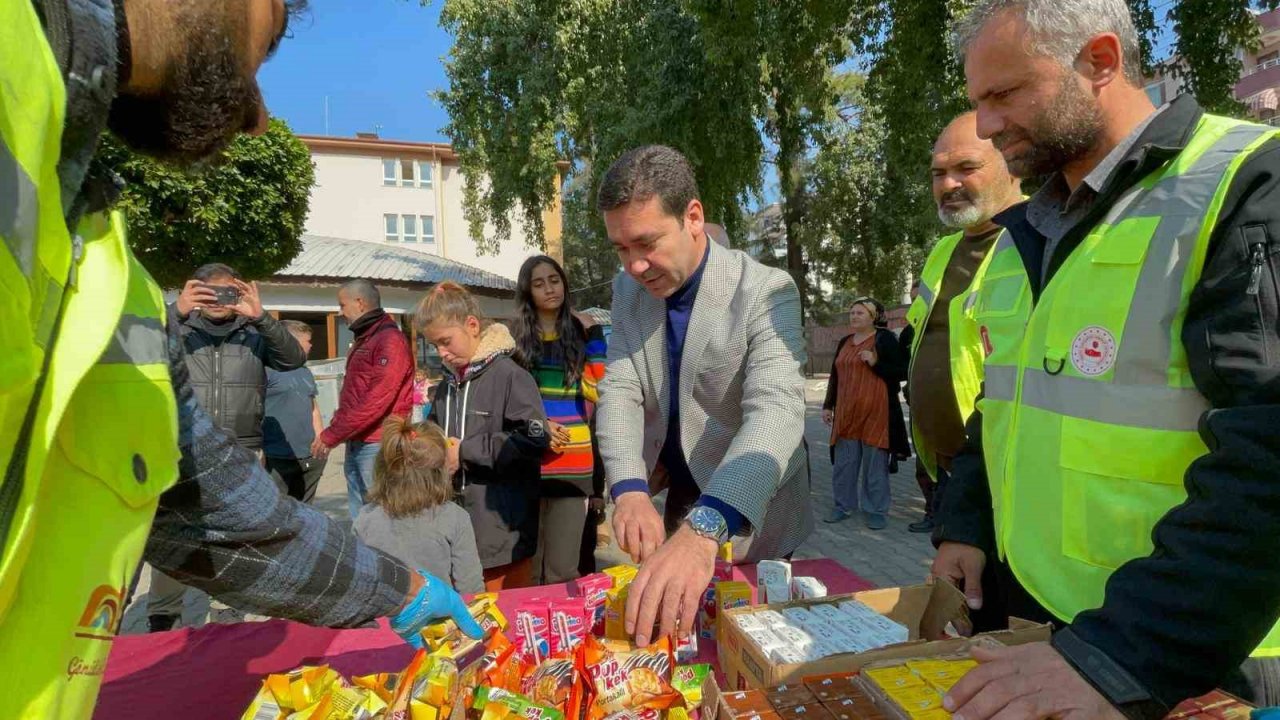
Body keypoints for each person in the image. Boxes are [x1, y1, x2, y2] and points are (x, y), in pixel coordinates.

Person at [1, 2, 482, 716]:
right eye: (275, 35)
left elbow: (223, 512)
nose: (257, 112)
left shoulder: (109, 273)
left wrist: (401, 589)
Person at [933, 0, 1280, 716]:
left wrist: (1120, 657)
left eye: (1004, 95)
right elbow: (1005, 401)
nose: (988, 125)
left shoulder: (1245, 185)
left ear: (1099, 61)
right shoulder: (1026, 232)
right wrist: (963, 520)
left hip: (1195, 658)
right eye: (977, 102)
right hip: (1058, 629)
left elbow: (1269, 453)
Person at [595, 145, 812, 647]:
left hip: (750, 505)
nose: (635, 265)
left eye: (646, 243)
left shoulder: (766, 291)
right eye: (620, 249)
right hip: (680, 495)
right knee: (678, 635)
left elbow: (776, 414)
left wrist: (708, 525)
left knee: (752, 644)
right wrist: (628, 488)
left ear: (693, 217)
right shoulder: (627, 292)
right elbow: (622, 389)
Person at [150, 261, 311, 630]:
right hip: (181, 449)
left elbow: (294, 359)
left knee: (233, 535)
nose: (219, 300)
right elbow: (139, 351)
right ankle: (163, 617)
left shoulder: (253, 332)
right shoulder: (179, 327)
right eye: (209, 292)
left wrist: (262, 318)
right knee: (174, 533)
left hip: (240, 451)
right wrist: (176, 311)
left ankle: (227, 615)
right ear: (194, 290)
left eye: (228, 292)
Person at [902, 113, 1022, 535]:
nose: (948, 184)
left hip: (1010, 477)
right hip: (952, 473)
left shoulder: (1037, 242)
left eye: (966, 168)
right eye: (938, 173)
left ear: (1011, 162)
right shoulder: (943, 250)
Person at [420, 282, 550, 590]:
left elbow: (534, 439)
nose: (441, 353)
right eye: (434, 346)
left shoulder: (511, 376)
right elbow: (435, 430)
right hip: (457, 524)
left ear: (473, 326)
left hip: (502, 530)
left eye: (446, 341)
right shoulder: (447, 385)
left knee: (503, 622)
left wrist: (464, 452)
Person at [511, 255, 609, 585]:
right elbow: (509, 404)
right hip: (529, 462)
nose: (549, 289)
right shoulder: (515, 343)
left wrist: (595, 332)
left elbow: (601, 390)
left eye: (554, 280)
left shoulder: (584, 335)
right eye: (538, 284)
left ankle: (564, 635)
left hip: (574, 463)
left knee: (563, 571)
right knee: (529, 566)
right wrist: (538, 426)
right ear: (528, 292)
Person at [312, 279, 415, 520]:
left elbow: (376, 400)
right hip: (359, 440)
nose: (340, 313)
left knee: (384, 517)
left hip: (378, 443)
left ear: (360, 303)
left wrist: (332, 434)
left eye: (342, 305)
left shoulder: (389, 340)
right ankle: (366, 558)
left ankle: (386, 559)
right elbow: (354, 395)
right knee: (363, 517)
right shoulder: (366, 338)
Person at [354, 417, 485, 595]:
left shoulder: (365, 519)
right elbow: (471, 589)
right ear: (441, 472)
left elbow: (358, 587)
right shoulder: (455, 517)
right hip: (438, 619)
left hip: (384, 620)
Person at [821, 298, 909, 530]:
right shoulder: (845, 342)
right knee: (844, 464)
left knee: (875, 466)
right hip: (847, 414)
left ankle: (876, 510)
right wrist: (828, 405)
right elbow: (835, 376)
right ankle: (843, 506)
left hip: (876, 414)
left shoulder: (885, 339)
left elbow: (901, 371)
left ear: (873, 317)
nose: (854, 316)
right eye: (852, 313)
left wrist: (875, 362)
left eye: (860, 313)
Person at [263, 320, 328, 503]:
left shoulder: (305, 372)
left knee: (305, 513)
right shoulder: (266, 370)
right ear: (293, 343)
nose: (312, 345)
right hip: (276, 457)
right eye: (308, 341)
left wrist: (321, 437)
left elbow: (313, 407)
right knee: (277, 513)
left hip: (310, 457)